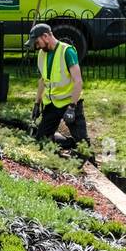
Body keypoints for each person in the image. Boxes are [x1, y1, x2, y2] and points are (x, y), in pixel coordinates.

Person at [28, 22, 89, 155]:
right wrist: (37, 104)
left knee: (83, 143)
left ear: (45, 36)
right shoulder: (42, 54)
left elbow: (78, 81)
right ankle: (66, 145)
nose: (36, 46)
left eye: (37, 42)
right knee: (41, 141)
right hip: (52, 103)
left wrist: (72, 108)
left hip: (70, 102)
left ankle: (90, 161)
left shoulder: (67, 51)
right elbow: (43, 80)